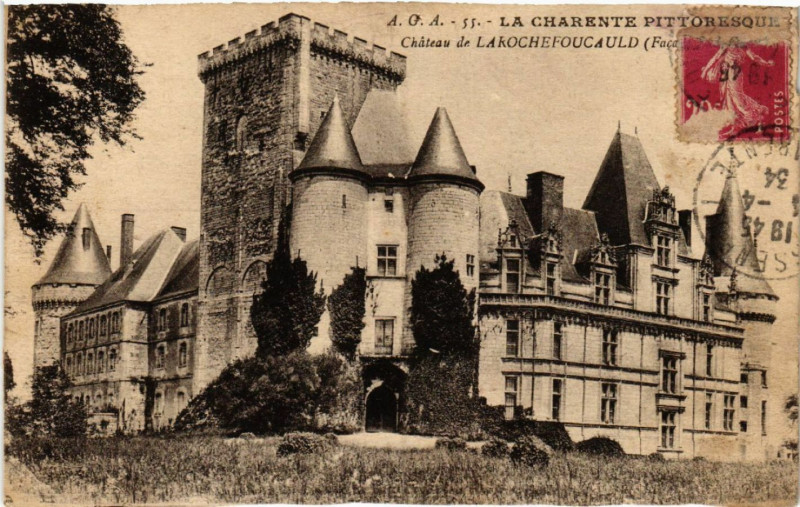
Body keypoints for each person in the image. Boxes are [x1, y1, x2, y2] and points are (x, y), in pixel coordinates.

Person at [701, 38, 774, 137]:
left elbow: (754, 57)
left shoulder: (744, 46)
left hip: (735, 74)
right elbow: (716, 57)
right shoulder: (727, 44)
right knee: (728, 100)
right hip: (725, 75)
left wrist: (766, 63)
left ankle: (756, 114)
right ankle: (735, 127)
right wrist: (705, 70)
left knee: (737, 99)